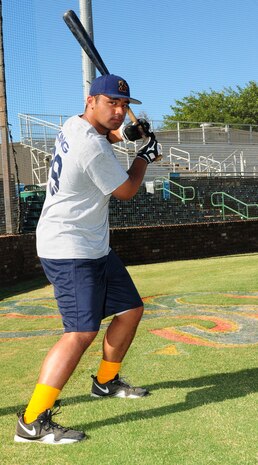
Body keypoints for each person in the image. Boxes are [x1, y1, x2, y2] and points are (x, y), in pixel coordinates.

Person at [14, 74, 160, 445]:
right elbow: (126, 190)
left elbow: (105, 136)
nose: (119, 111)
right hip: (69, 247)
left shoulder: (74, 124)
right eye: (111, 103)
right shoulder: (90, 147)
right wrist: (145, 156)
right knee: (80, 331)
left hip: (93, 245)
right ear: (90, 101)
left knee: (130, 310)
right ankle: (32, 422)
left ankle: (106, 382)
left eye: (124, 105)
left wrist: (130, 134)